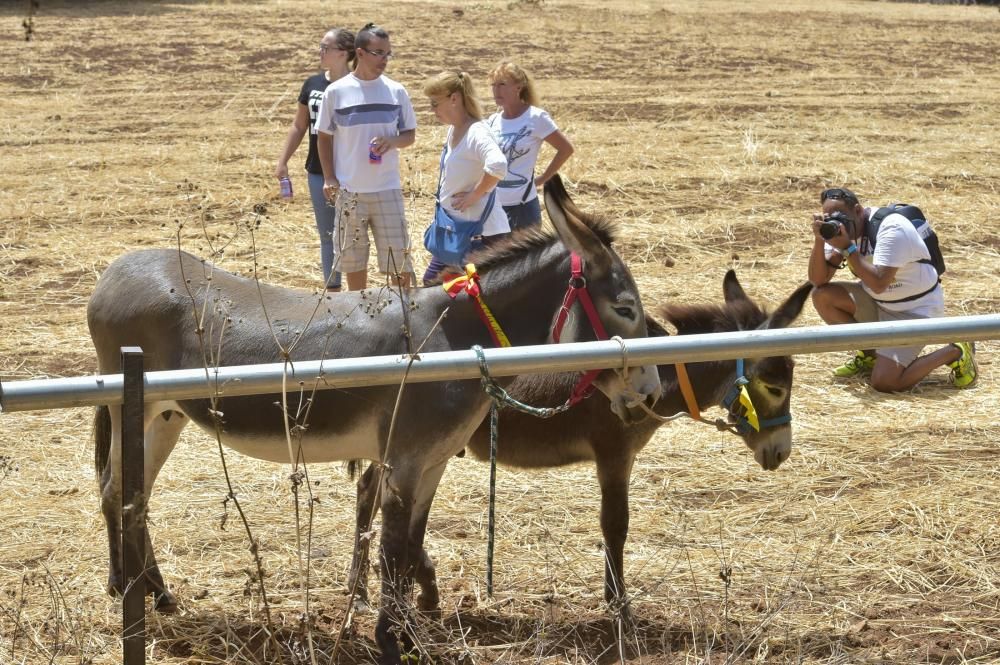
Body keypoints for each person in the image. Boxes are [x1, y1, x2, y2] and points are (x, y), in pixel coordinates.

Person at [807, 186, 976, 392]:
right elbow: (818, 280)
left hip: (916, 312)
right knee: (822, 296)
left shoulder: (891, 228)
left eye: (841, 216)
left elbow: (879, 283)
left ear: (859, 211)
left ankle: (956, 349)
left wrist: (849, 248)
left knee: (885, 383)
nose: (836, 222)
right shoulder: (840, 231)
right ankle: (871, 355)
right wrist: (819, 239)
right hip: (879, 304)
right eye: (829, 217)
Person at [315, 23, 417, 290]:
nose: (384, 59)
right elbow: (323, 137)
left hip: (388, 189)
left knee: (399, 265)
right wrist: (329, 177)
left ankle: (403, 321)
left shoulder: (396, 91)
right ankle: (359, 321)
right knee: (353, 264)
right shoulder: (336, 92)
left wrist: (392, 141)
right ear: (360, 53)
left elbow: (410, 135)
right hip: (349, 192)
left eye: (388, 53)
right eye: (378, 53)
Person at [275, 28, 356, 293]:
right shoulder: (312, 84)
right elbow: (299, 126)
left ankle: (356, 295)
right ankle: (332, 293)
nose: (320, 52)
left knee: (352, 235)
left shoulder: (357, 85)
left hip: (352, 172)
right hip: (318, 171)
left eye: (325, 47)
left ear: (343, 53)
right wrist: (283, 160)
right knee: (327, 235)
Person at [422, 71, 508, 285]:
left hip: (482, 236)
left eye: (434, 103)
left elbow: (498, 165)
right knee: (433, 286)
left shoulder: (476, 132)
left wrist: (475, 195)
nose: (432, 110)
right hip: (456, 234)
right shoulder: (454, 130)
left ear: (454, 98)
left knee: (479, 297)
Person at [485, 61, 574, 231]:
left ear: (518, 87)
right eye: (493, 85)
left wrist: (544, 178)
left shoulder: (536, 117)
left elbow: (566, 149)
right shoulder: (493, 121)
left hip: (523, 208)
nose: (496, 90)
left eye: (502, 84)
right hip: (493, 208)